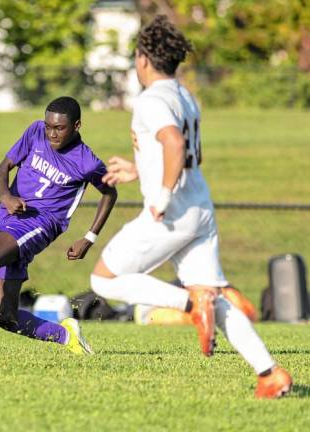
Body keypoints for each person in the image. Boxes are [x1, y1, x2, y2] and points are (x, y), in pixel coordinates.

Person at [88, 15, 291, 398]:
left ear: (144, 59)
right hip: (200, 207)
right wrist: (139, 169)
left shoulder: (152, 99)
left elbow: (174, 145)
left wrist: (160, 196)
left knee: (102, 280)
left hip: (173, 211)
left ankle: (188, 303)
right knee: (212, 298)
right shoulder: (184, 95)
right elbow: (185, 151)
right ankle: (269, 373)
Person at [0, 96, 117, 354]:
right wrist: (6, 196)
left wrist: (90, 237)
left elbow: (109, 193)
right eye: (49, 126)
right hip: (8, 217)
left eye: (59, 128)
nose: (51, 133)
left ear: (77, 126)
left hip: (40, 223)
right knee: (4, 317)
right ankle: (66, 336)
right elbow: (1, 169)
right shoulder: (35, 132)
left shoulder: (87, 162)